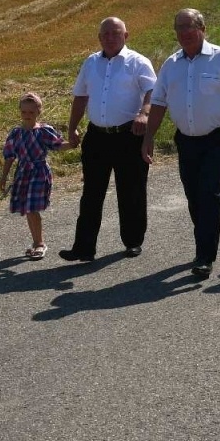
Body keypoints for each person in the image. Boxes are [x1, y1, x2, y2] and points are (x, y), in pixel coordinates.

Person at [142, 9, 220, 280]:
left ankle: (205, 255)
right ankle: (205, 237)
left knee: (208, 193)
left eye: (188, 27)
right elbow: (158, 103)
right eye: (178, 28)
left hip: (216, 137)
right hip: (186, 141)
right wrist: (149, 137)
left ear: (202, 28)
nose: (183, 33)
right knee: (194, 195)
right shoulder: (171, 64)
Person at [61, 17, 158, 263]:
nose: (110, 37)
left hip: (129, 135)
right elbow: (80, 96)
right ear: (99, 37)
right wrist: (72, 128)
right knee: (91, 193)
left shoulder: (138, 62)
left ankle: (133, 241)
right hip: (97, 137)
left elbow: (153, 91)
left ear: (126, 36)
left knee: (131, 191)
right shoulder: (91, 63)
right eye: (105, 33)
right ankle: (84, 248)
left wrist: (144, 114)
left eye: (115, 33)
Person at [0, 92, 68, 260]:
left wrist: (72, 143)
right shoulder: (16, 133)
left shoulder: (44, 131)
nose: (27, 115)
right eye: (24, 112)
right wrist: (4, 177)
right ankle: (36, 242)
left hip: (39, 172)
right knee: (27, 210)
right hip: (22, 173)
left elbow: (58, 145)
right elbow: (9, 156)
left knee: (32, 208)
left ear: (38, 112)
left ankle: (40, 244)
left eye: (31, 112)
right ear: (20, 112)